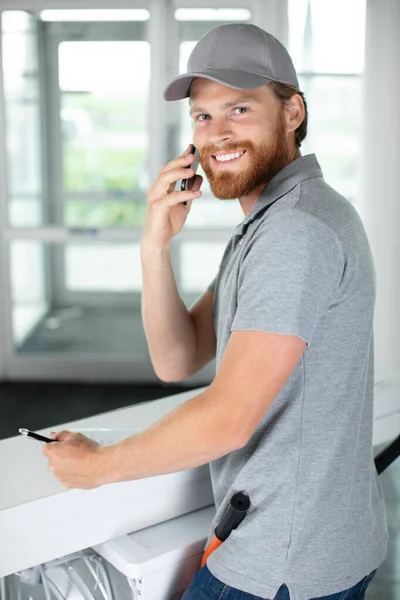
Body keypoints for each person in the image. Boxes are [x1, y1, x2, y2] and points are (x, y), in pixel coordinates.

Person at [43, 23, 388, 600]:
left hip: (282, 560)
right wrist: (155, 245)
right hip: (303, 547)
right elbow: (178, 356)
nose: (217, 133)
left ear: (293, 111)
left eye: (239, 108)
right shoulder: (273, 223)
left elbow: (228, 418)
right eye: (202, 116)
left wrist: (100, 466)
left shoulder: (294, 232)